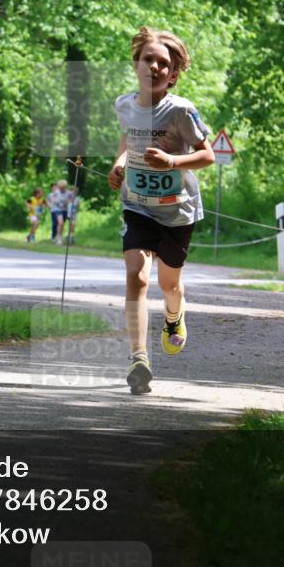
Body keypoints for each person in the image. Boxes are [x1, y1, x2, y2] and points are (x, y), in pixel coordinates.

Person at [107, 26, 214, 395]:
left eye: (163, 63)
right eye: (147, 59)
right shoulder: (124, 105)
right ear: (136, 64)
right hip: (137, 205)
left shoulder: (181, 111)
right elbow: (127, 139)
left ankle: (174, 317)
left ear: (173, 74)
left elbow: (208, 155)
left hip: (177, 211)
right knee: (136, 276)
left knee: (170, 285)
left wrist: (171, 161)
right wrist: (119, 164)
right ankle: (139, 358)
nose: (154, 66)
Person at [49, 180, 71, 244]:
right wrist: (58, 202)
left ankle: (59, 236)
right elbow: (54, 200)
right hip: (57, 209)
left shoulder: (68, 193)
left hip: (65, 210)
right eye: (60, 187)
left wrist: (66, 202)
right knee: (60, 222)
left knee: (62, 224)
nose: (61, 189)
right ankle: (58, 238)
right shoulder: (56, 192)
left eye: (63, 188)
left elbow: (70, 200)